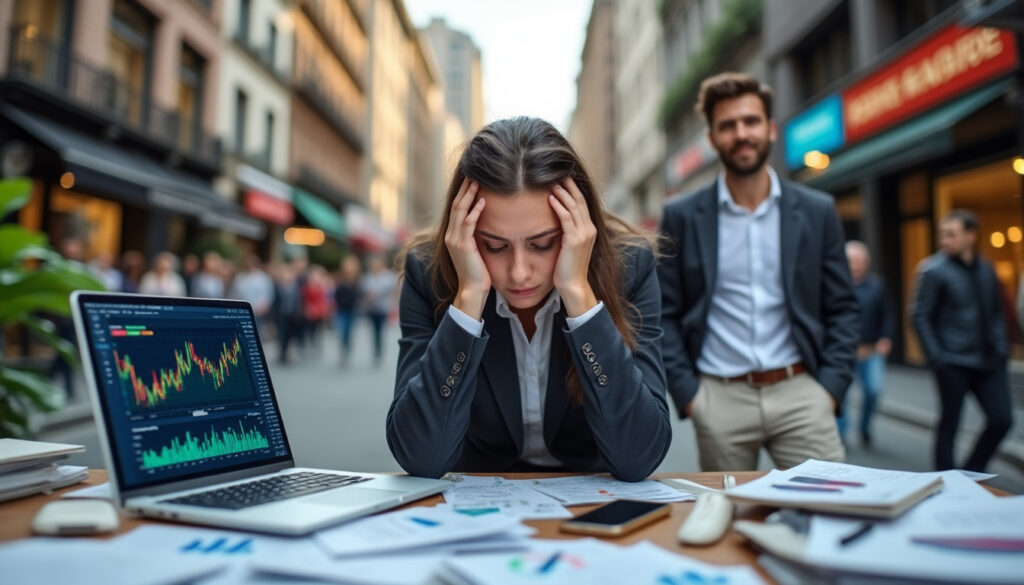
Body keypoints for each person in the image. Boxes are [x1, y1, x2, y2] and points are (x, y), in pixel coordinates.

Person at [386, 116, 672, 481]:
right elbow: (421, 456)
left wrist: (580, 296)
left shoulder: (630, 266)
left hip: (588, 496)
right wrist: (469, 298)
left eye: (542, 244)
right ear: (466, 234)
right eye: (494, 245)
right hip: (477, 496)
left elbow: (639, 456)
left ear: (577, 228)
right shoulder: (428, 273)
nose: (519, 271)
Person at [658, 72, 858, 472]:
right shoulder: (681, 216)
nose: (741, 133)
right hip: (719, 398)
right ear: (712, 138)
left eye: (750, 122)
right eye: (727, 126)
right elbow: (664, 312)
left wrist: (830, 390)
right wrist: (691, 398)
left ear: (770, 130)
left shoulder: (817, 210)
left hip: (802, 392)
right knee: (731, 520)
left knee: (831, 509)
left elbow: (843, 307)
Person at [911, 209, 1013, 472]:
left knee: (1002, 420)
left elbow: (996, 312)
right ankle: (945, 480)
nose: (944, 240)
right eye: (942, 234)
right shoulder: (933, 270)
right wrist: (937, 359)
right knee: (950, 424)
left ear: (971, 235)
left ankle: (971, 471)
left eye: (951, 234)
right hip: (952, 361)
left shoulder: (987, 269)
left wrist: (1001, 349)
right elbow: (920, 316)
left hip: (989, 361)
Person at [840, 241, 892, 447]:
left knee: (873, 390)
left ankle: (864, 427)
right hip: (844, 350)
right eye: (851, 260)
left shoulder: (877, 285)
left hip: (870, 350)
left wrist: (886, 338)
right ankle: (841, 434)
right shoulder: (836, 285)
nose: (856, 265)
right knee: (841, 394)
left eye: (860, 260)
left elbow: (887, 313)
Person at [361, 254, 397, 366]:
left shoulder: (388, 276)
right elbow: (363, 291)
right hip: (371, 309)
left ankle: (379, 351)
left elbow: (393, 290)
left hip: (382, 308)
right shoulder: (367, 277)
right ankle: (376, 350)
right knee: (373, 331)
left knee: (380, 331)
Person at [334, 255, 362, 366]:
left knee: (348, 332)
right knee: (342, 330)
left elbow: (358, 295)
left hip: (351, 310)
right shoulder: (340, 279)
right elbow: (336, 294)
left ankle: (347, 349)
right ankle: (343, 349)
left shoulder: (357, 281)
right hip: (341, 310)